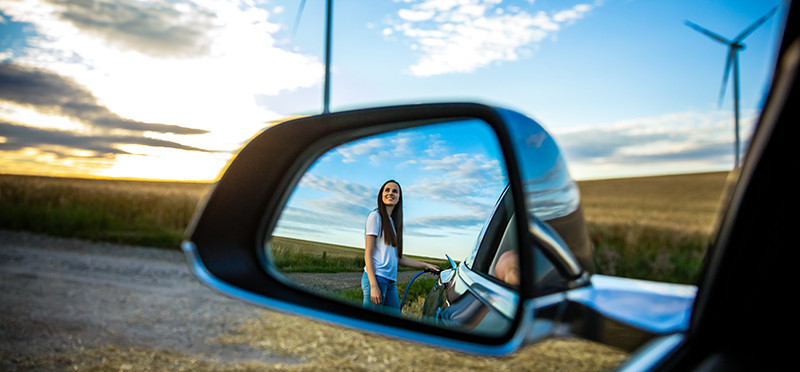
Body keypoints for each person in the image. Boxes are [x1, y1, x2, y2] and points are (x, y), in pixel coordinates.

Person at [362, 180, 439, 311]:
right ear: (381, 194)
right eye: (387, 190)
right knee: (369, 324)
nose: (390, 193)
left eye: (395, 191)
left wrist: (426, 265)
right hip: (377, 279)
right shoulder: (375, 216)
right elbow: (368, 253)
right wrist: (373, 285)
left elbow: (398, 258)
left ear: (399, 198)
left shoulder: (393, 222)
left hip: (390, 282)